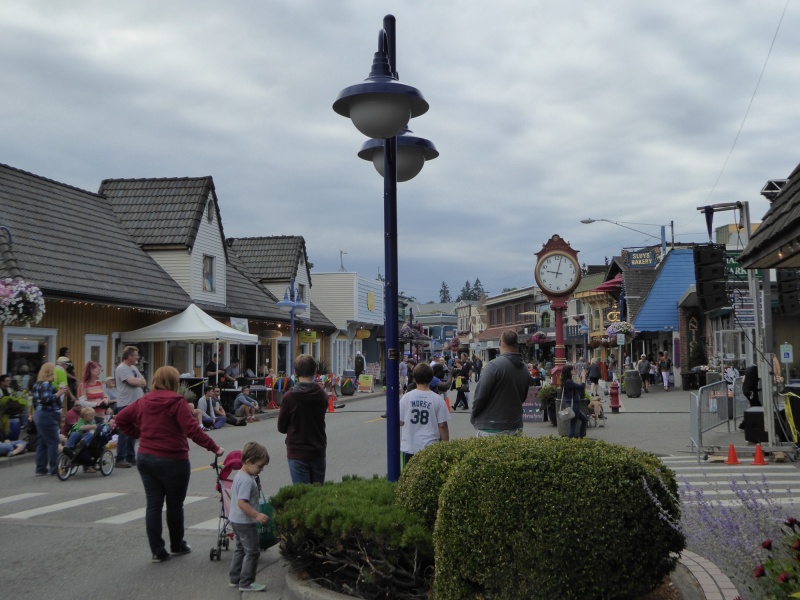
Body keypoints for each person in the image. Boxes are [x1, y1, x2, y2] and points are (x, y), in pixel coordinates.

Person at [115, 366, 223, 563]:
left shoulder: (144, 400)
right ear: (174, 382)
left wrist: (139, 434)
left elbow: (121, 419)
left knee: (153, 504)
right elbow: (192, 430)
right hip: (173, 459)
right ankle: (177, 544)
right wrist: (214, 447)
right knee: (174, 505)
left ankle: (157, 550)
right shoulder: (177, 402)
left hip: (146, 457)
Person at [277, 354, 328, 484]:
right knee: (318, 493)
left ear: (295, 372)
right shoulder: (322, 395)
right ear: (315, 371)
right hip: (317, 449)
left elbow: (281, 427)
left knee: (302, 493)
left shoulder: (289, 397)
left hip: (297, 452)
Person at [470, 330, 531, 436]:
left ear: (500, 342)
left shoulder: (494, 366)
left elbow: (480, 396)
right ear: (517, 344)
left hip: (492, 426)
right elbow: (523, 396)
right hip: (515, 424)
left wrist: (474, 415)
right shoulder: (525, 369)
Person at [228, 441, 271, 592]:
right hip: (245, 522)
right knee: (252, 551)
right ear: (248, 462)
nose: (261, 470)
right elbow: (242, 503)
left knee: (240, 548)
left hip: (235, 520)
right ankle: (246, 582)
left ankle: (235, 578)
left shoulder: (240, 475)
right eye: (259, 466)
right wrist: (256, 515)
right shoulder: (247, 480)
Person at [399, 363, 450, 464]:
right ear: (431, 379)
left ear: (414, 378)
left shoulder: (406, 398)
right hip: (430, 447)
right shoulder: (438, 400)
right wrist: (445, 446)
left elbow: (400, 422)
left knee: (408, 473)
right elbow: (442, 426)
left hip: (409, 447)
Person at [31, 363, 69, 476]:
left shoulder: (37, 385)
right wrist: (59, 393)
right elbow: (46, 399)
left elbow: (35, 401)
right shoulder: (47, 384)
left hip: (39, 414)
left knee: (42, 442)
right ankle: (54, 468)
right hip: (47, 414)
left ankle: (41, 468)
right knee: (53, 442)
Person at [115, 346, 147, 468]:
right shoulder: (122, 368)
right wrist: (138, 381)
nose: (137, 357)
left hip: (136, 403)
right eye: (135, 355)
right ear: (129, 356)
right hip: (125, 403)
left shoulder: (133, 368)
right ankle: (120, 458)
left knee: (134, 430)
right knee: (124, 431)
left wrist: (138, 381)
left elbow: (143, 381)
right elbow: (131, 382)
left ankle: (130, 456)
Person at [560, 364, 588, 439]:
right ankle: (571, 440)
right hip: (573, 405)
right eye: (572, 369)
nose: (574, 370)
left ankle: (580, 437)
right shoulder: (568, 382)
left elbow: (576, 386)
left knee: (584, 420)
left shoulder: (567, 381)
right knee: (573, 424)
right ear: (568, 371)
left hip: (572, 404)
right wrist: (583, 377)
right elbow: (581, 387)